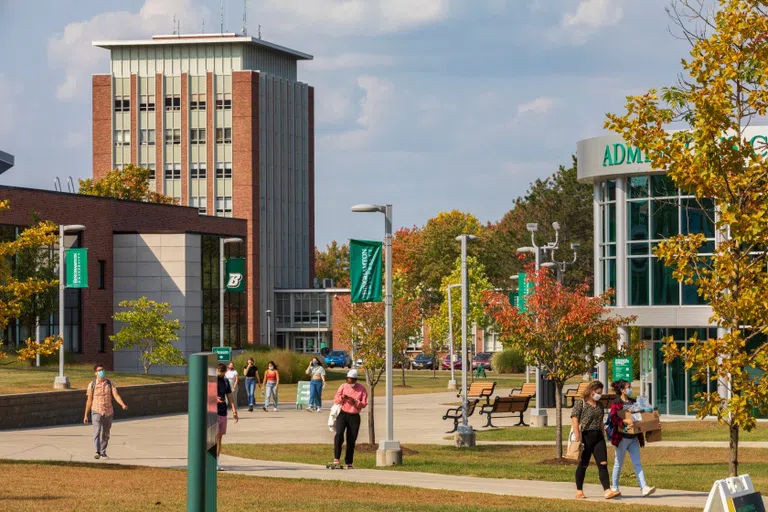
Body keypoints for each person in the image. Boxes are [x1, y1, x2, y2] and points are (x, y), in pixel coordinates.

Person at [570, 380, 620, 500]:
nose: (600, 394)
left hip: (598, 437)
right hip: (585, 436)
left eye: (601, 392)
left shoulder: (600, 405)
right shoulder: (580, 404)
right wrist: (578, 437)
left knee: (603, 463)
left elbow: (601, 421)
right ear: (591, 391)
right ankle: (579, 490)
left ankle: (607, 491)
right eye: (598, 392)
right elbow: (575, 420)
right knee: (583, 464)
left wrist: (604, 435)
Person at [609, 379, 656, 497]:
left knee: (637, 463)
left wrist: (653, 422)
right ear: (622, 390)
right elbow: (613, 418)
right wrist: (624, 421)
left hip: (634, 438)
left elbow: (642, 416)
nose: (630, 389)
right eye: (628, 387)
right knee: (618, 463)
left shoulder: (634, 401)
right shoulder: (616, 403)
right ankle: (614, 487)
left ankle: (644, 487)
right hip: (622, 438)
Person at [83, 364, 128, 460]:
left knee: (106, 433)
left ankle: (103, 452)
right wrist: (86, 415)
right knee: (97, 431)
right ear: (95, 373)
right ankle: (97, 451)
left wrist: (122, 404)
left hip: (108, 411)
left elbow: (116, 395)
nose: (101, 371)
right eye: (99, 370)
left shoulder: (110, 383)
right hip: (96, 410)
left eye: (102, 370)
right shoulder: (92, 385)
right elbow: (89, 400)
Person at [331, 369, 368, 469]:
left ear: (355, 379)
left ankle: (349, 462)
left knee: (351, 439)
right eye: (348, 379)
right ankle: (336, 458)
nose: (349, 381)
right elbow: (336, 399)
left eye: (352, 380)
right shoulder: (343, 386)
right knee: (339, 434)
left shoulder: (362, 389)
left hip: (354, 416)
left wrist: (354, 401)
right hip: (342, 414)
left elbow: (364, 404)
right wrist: (342, 398)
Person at [216, 362, 239, 471]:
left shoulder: (225, 381)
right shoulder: (211, 381)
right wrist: (214, 399)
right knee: (213, 437)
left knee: (219, 437)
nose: (221, 375)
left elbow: (230, 397)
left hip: (223, 412)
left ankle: (216, 460)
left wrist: (234, 411)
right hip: (213, 412)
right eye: (219, 372)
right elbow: (204, 394)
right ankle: (209, 460)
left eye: (222, 373)